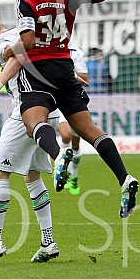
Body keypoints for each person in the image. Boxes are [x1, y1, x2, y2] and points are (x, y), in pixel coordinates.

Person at [0, 0, 140, 218]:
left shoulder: (26, 0)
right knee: (90, 130)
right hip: (66, 70)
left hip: (40, 74)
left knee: (34, 123)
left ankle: (59, 156)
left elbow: (28, 41)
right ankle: (124, 178)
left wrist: (10, 52)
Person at [0, 9, 63, 264]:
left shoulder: (1, 41)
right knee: (31, 175)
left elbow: (16, 54)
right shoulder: (25, 34)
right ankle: (48, 241)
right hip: (50, 108)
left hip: (26, 113)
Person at [59, 45, 88, 196]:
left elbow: (85, 79)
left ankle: (74, 174)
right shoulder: (44, 49)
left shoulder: (75, 52)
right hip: (54, 100)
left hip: (73, 100)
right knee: (66, 136)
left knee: (75, 144)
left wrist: (64, 71)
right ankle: (63, 170)